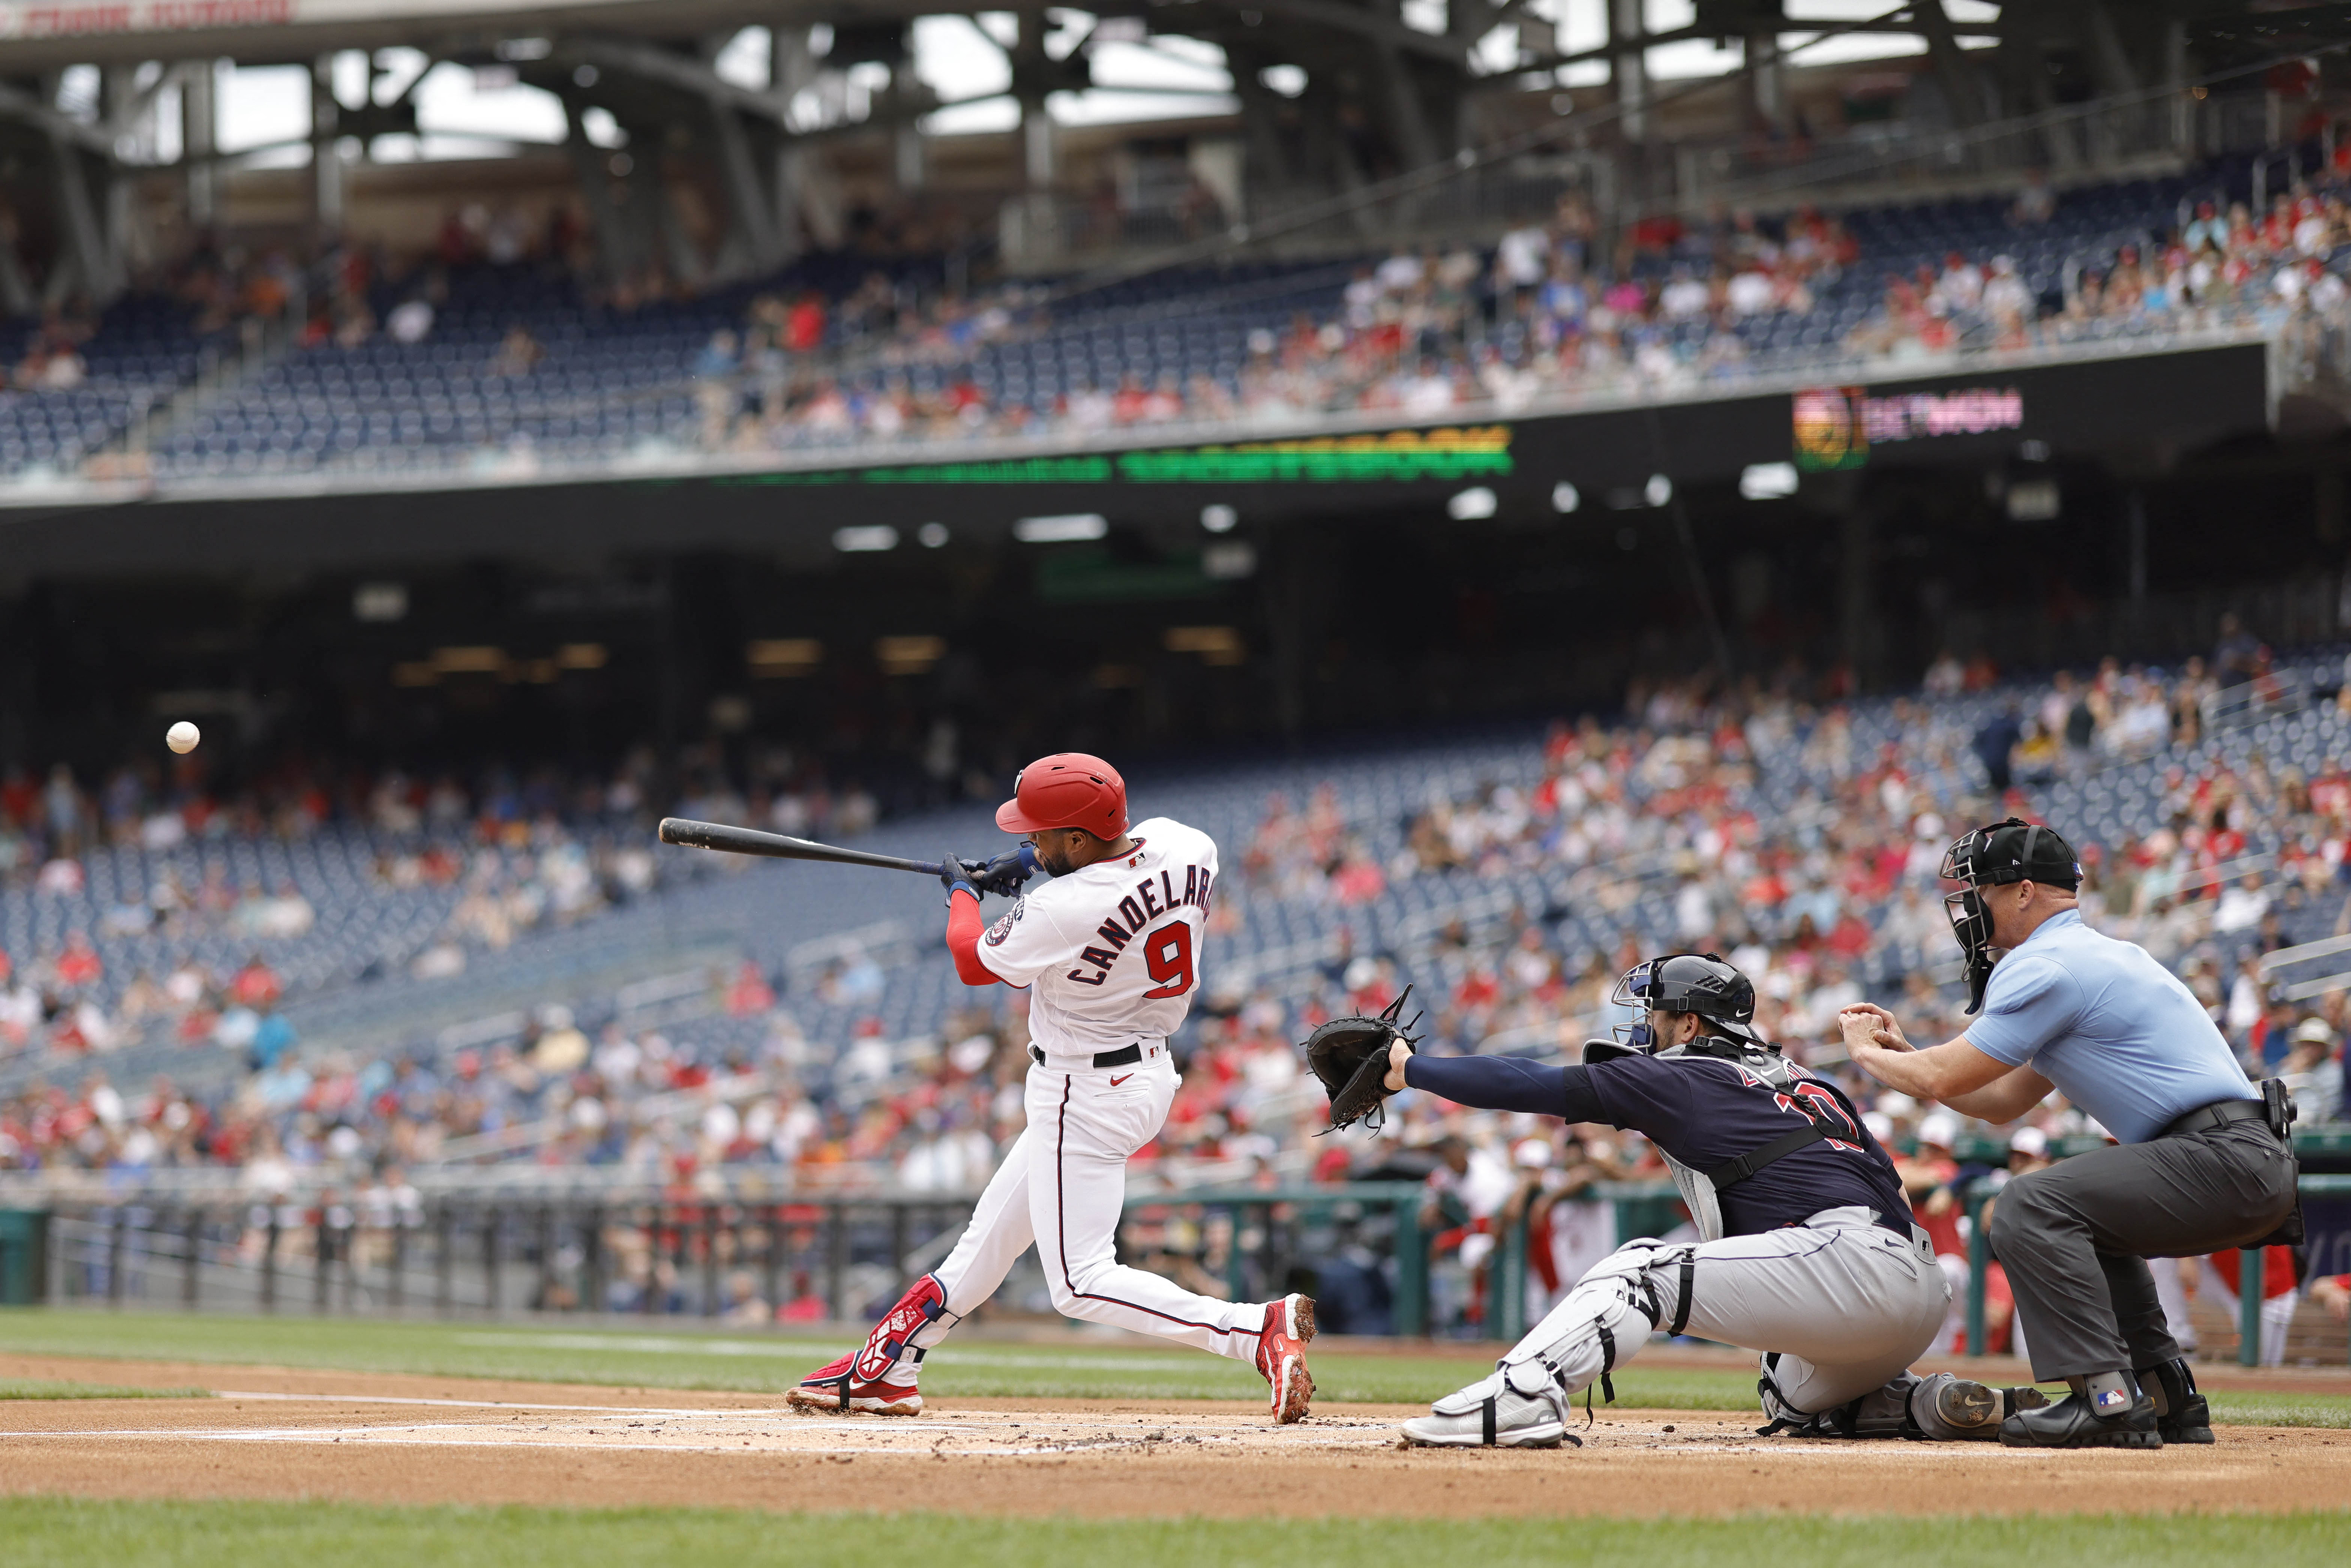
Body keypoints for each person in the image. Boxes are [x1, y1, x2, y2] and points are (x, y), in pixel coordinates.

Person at [787, 752, 1316, 1423]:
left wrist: (961, 891)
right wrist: (1029, 864)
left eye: (1041, 834)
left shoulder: (1063, 908)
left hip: (1084, 1087)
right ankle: (889, 1365)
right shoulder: (1190, 845)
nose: (1030, 841)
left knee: (1078, 1282)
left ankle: (1254, 1329)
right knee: (988, 1240)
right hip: (1144, 1070)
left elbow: (971, 961)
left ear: (1076, 838)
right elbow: (1111, 862)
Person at [1368, 953, 2034, 1448]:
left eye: (1653, 1015)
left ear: (1688, 1021)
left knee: (1636, 1271)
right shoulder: (1810, 1080)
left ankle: (1520, 1397)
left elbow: (1527, 1081)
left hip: (1849, 1265)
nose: (1642, 1028)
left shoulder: (1684, 1075)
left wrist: (1408, 1069)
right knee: (1787, 1389)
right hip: (1910, 1292)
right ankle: (1924, 1401)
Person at [1840, 818, 2298, 1450]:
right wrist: (1906, 1054)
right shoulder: (2088, 955)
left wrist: (1867, 1054)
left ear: (2024, 892)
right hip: (2236, 1154)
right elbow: (2000, 1100)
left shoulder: (2045, 964)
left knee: (2030, 1203)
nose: (1970, 905)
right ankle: (2164, 1394)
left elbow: (1942, 1077)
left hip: (2220, 1154)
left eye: (1981, 889)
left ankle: (2104, 1400)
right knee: (2082, 1217)